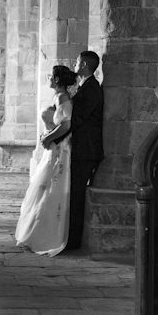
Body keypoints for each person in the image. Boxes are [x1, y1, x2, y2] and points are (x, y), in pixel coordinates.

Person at [15, 65, 78, 256]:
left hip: (59, 149)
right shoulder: (58, 96)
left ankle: (46, 236)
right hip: (53, 148)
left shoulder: (62, 97)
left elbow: (66, 125)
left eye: (51, 75)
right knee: (43, 188)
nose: (49, 77)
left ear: (57, 80)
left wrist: (48, 138)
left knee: (51, 189)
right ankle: (35, 232)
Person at [66, 50, 104, 251]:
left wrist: (57, 130)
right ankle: (70, 236)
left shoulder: (92, 89)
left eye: (77, 62)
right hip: (82, 149)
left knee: (77, 194)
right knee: (74, 192)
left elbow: (78, 118)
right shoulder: (85, 86)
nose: (74, 65)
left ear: (84, 65)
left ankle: (74, 240)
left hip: (86, 150)